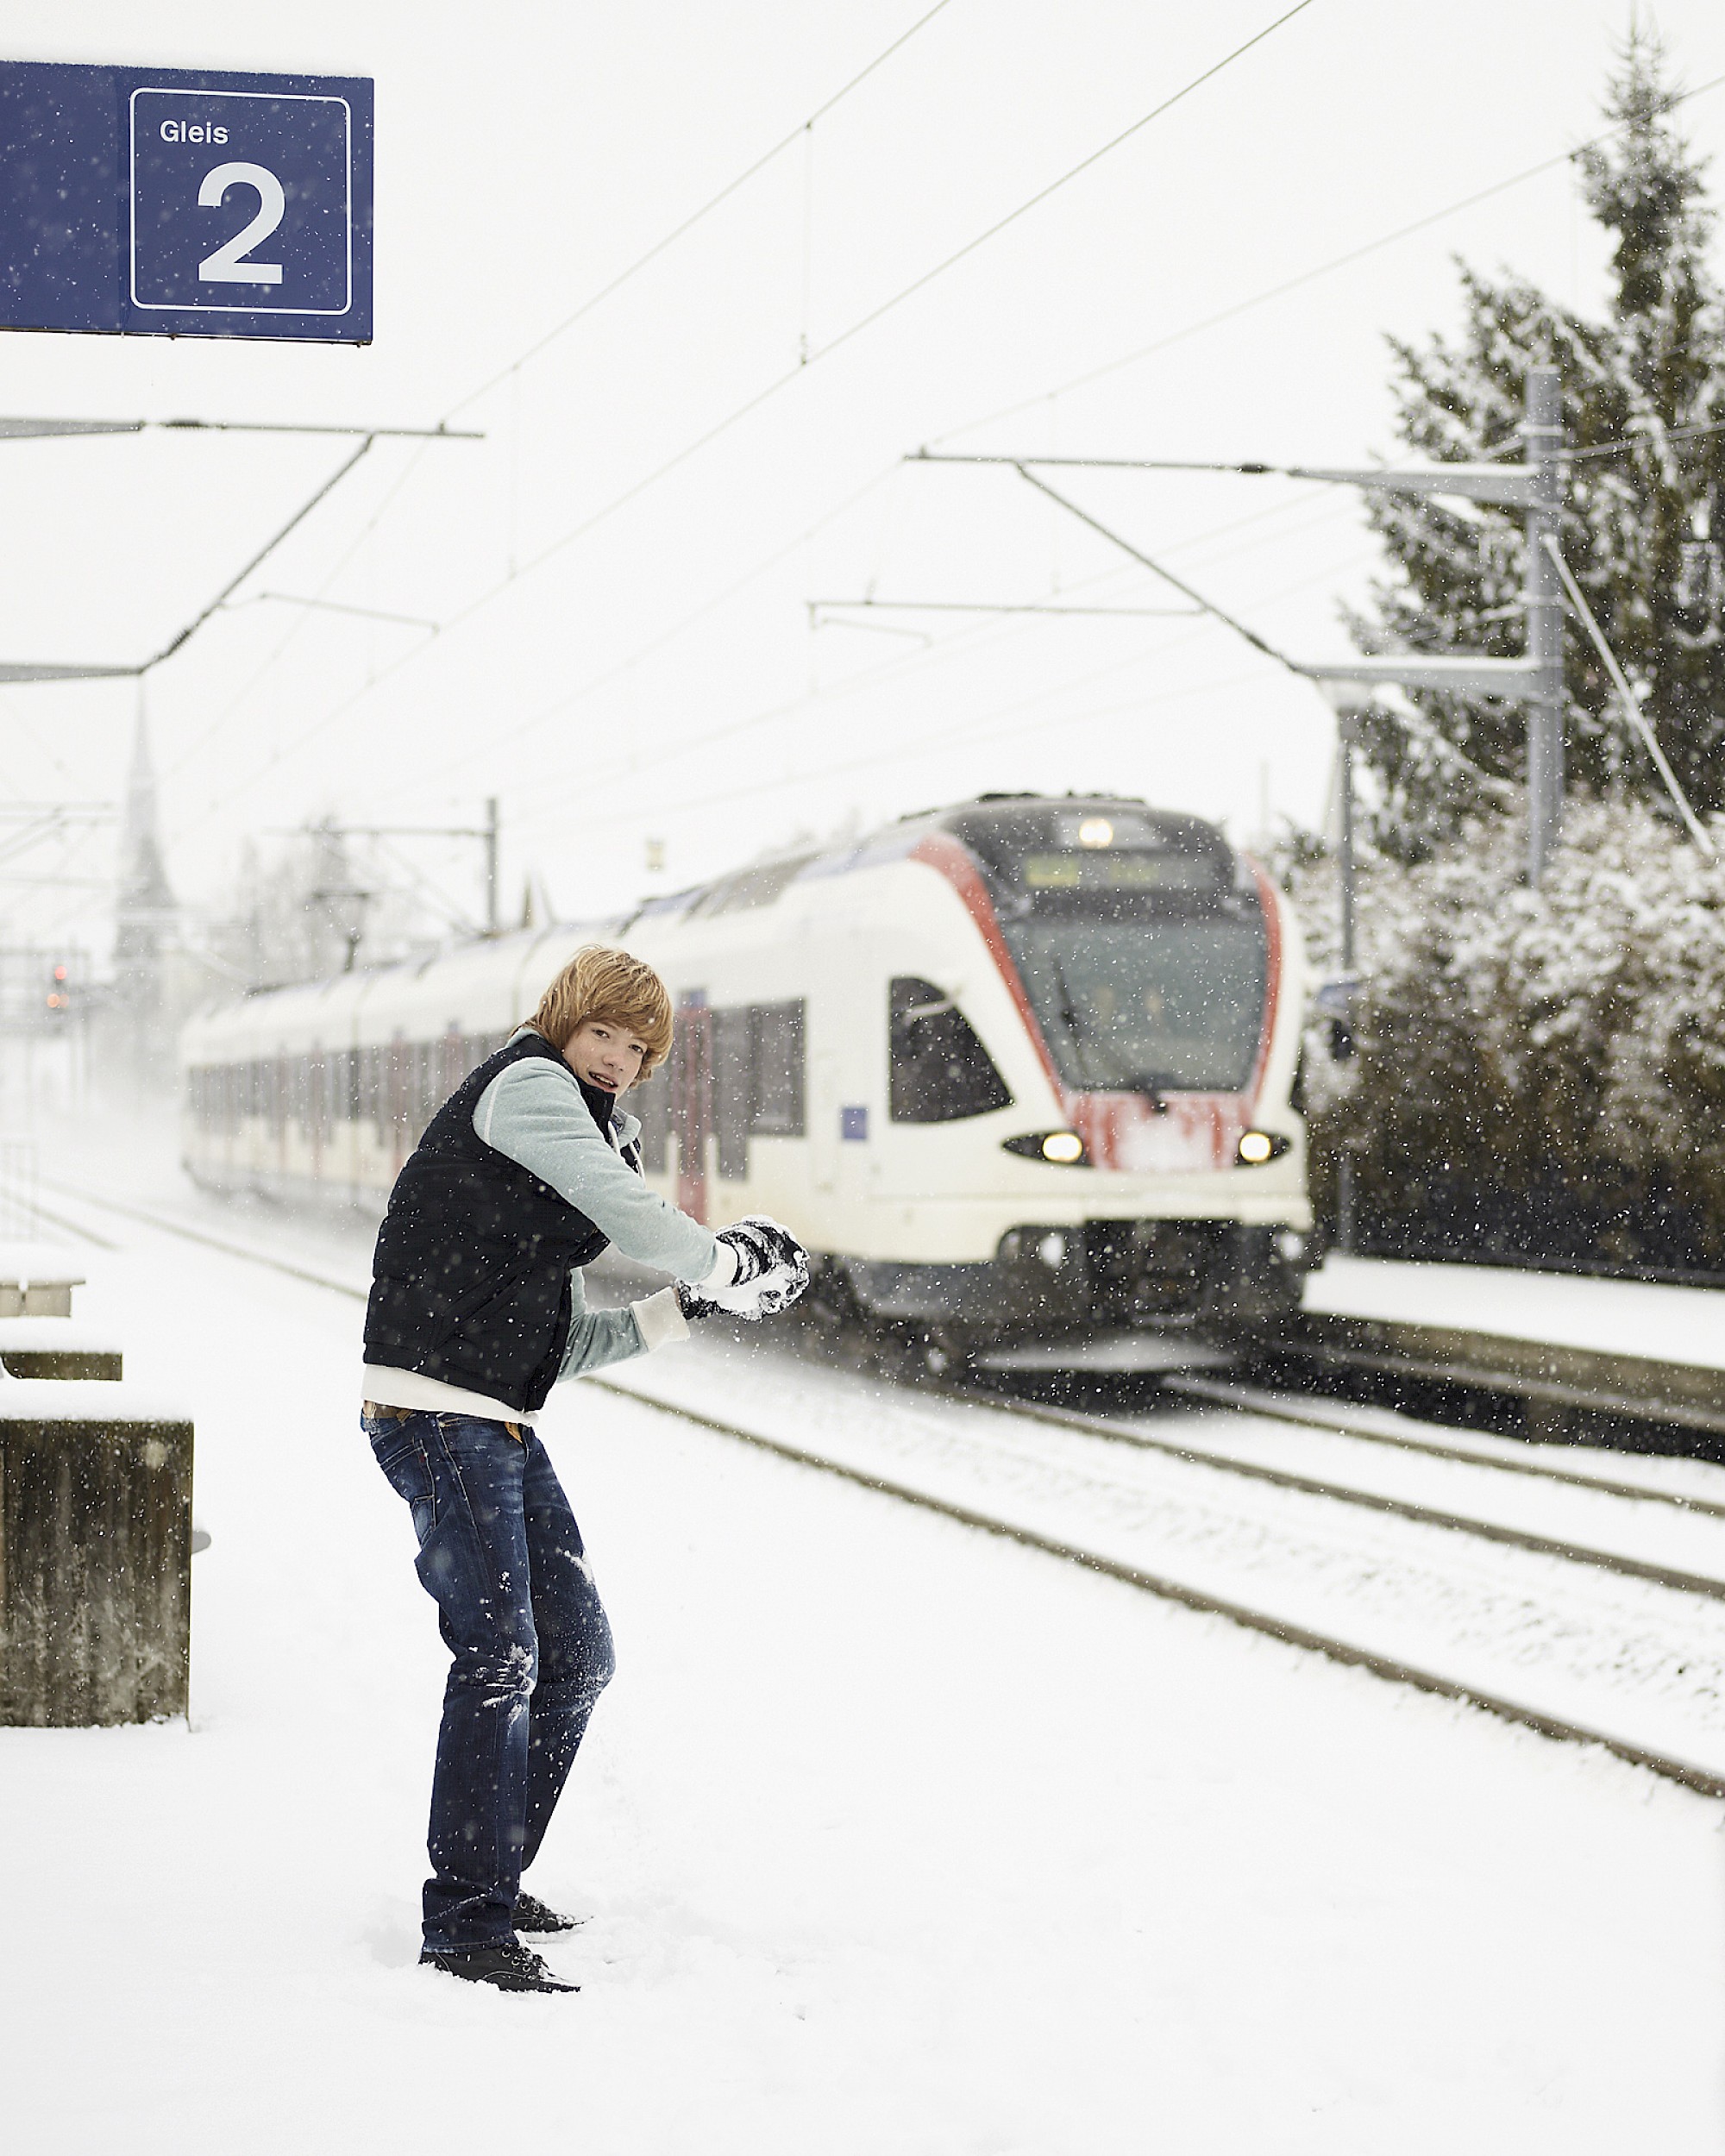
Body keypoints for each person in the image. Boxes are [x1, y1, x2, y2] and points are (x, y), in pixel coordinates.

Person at [361, 943, 809, 1995]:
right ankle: (465, 1924)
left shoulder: (575, 1133)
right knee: (500, 1652)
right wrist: (725, 1262)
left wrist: (690, 1305)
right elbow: (633, 1216)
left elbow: (560, 1342)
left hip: (498, 1416)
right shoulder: (527, 1090)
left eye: (639, 1045)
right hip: (433, 1411)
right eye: (602, 1032)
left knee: (575, 1655)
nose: (617, 1056)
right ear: (564, 1021)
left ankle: (493, 1872)